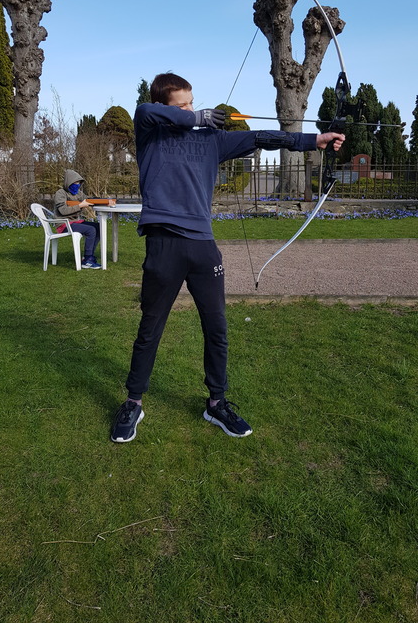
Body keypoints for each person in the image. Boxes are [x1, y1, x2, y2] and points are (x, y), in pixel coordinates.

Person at [111, 73, 345, 442]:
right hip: (164, 245)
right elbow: (144, 110)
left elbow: (261, 138)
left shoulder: (211, 141)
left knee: (216, 328)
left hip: (203, 246)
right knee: (150, 328)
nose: (190, 109)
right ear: (164, 106)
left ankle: (217, 403)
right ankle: (133, 402)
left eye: (193, 102)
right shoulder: (150, 134)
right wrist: (197, 116)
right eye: (182, 105)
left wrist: (314, 140)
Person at [54, 169, 101, 269]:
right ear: (68, 182)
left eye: (79, 182)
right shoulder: (60, 193)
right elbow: (63, 210)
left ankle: (89, 256)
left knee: (98, 227)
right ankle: (87, 260)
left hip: (75, 222)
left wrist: (103, 201)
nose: (77, 184)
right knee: (91, 230)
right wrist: (80, 205)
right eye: (75, 182)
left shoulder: (78, 193)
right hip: (64, 224)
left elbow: (88, 199)